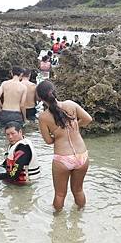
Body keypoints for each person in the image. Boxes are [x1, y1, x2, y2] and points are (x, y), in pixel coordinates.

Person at [36, 80, 92, 211]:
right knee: (78, 191)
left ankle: (57, 225)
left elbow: (49, 141)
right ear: (54, 91)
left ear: (40, 98)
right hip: (82, 155)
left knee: (60, 194)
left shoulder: (43, 117)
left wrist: (59, 135)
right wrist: (75, 127)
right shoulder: (70, 104)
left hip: (63, 158)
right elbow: (88, 119)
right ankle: (80, 217)